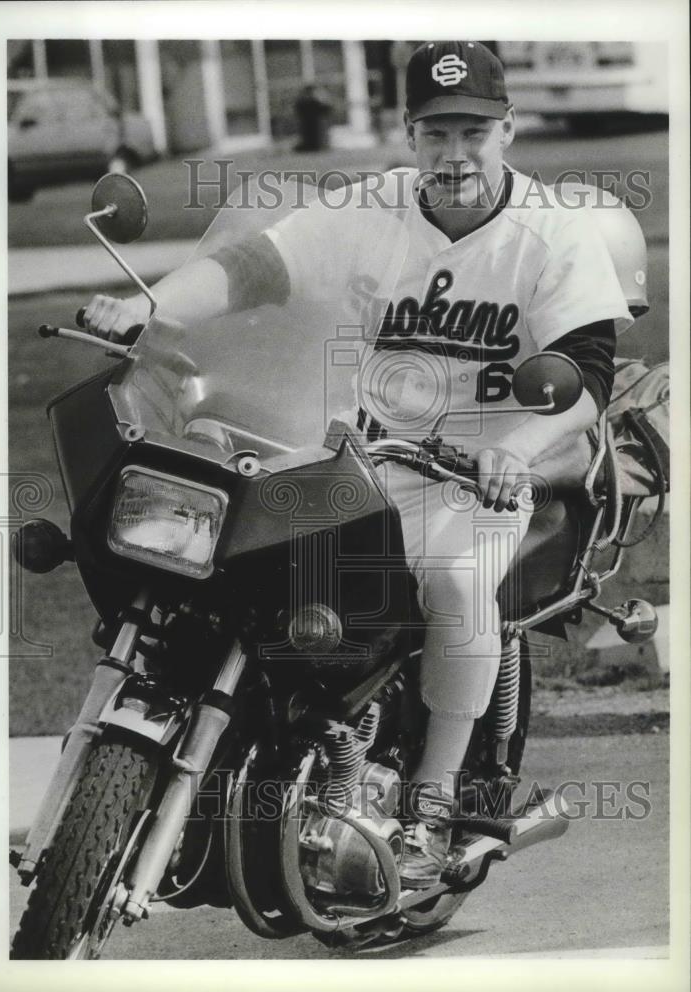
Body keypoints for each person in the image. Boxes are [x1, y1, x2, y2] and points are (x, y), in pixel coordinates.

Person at [82, 41, 633, 888]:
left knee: (454, 579)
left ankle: (432, 803)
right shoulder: (372, 204)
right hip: (355, 452)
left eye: (473, 133)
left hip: (477, 466)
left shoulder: (550, 233)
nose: (454, 153)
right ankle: (282, 750)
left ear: (508, 131)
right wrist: (154, 309)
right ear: (410, 133)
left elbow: (585, 373)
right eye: (436, 132)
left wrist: (516, 449)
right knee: (243, 574)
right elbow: (253, 269)